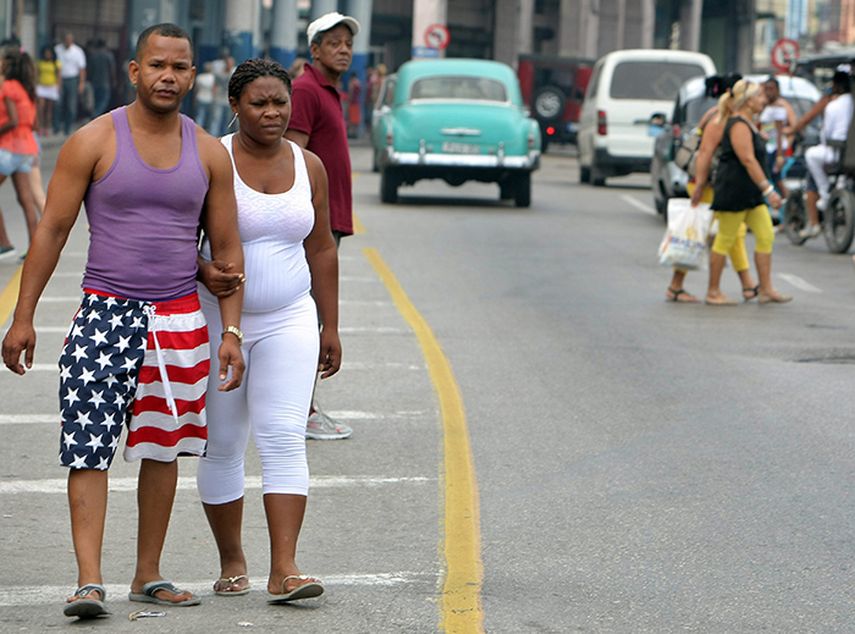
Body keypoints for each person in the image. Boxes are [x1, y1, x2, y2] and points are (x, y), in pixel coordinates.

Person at [1, 23, 246, 620]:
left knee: (163, 452)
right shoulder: (93, 139)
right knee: (87, 447)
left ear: (194, 74)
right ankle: (89, 580)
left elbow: (227, 251)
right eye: (157, 65)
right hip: (104, 315)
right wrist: (22, 316)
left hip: (179, 319)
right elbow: (52, 230)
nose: (169, 76)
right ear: (134, 72)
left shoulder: (209, 150)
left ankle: (148, 574)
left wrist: (231, 331)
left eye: (180, 67)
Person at [196, 57, 340, 603]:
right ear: (235, 106)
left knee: (283, 437)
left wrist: (330, 324)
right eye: (259, 103)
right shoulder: (211, 160)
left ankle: (286, 568)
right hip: (217, 323)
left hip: (290, 318)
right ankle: (233, 561)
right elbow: (180, 241)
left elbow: (321, 246)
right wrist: (202, 269)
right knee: (224, 444)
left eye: (280, 102)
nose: (273, 112)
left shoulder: (310, 166)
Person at [285, 11, 360, 440]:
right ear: (315, 50)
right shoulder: (307, 90)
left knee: (311, 313)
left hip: (326, 223)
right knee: (308, 315)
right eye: (334, 43)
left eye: (347, 43)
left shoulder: (328, 90)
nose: (344, 49)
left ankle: (301, 406)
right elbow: (293, 159)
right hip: (314, 226)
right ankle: (304, 411)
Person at [669, 74, 758, 304]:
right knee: (699, 233)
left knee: (726, 233)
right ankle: (677, 286)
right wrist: (699, 185)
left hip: (714, 183)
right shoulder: (719, 118)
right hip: (706, 184)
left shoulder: (729, 117)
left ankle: (747, 285)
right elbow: (705, 153)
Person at [703, 80, 791, 305]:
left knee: (765, 235)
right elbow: (747, 159)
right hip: (735, 191)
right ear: (749, 101)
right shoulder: (738, 124)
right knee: (725, 239)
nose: (763, 100)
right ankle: (713, 291)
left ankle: (766, 289)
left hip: (750, 194)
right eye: (760, 97)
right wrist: (769, 189)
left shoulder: (750, 123)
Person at [802, 70, 853, 238]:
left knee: (811, 155)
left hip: (835, 150)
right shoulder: (851, 102)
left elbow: (826, 132)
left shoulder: (833, 105)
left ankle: (824, 193)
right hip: (848, 151)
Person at [0, 49, 40, 260]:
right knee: (25, 200)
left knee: (24, 198)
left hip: (8, 147)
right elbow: (34, 123)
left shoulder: (8, 86)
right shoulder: (28, 90)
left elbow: (13, 120)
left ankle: (4, 243)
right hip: (27, 148)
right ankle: (34, 249)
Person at [759, 77, 796, 200]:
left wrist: (780, 154)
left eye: (772, 89)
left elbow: (792, 127)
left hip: (778, 147)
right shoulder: (763, 105)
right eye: (767, 89)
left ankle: (789, 201)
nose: (769, 92)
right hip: (766, 146)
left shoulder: (782, 106)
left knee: (776, 175)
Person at [54, 32, 87, 135]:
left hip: (72, 79)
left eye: (69, 40)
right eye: (66, 40)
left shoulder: (77, 51)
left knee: (71, 105)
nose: (67, 42)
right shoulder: (57, 49)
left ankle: (68, 127)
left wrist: (81, 83)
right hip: (59, 79)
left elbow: (82, 68)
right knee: (58, 104)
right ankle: (56, 126)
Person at [87, 38, 115, 118]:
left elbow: (89, 69)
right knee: (103, 101)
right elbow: (112, 70)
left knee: (95, 101)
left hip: (94, 82)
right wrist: (114, 81)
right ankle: (95, 115)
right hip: (105, 83)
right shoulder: (109, 55)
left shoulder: (93, 55)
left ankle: (94, 115)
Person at [35, 45, 60, 137]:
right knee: (41, 108)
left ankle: (46, 127)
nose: (47, 55)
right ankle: (40, 127)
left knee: (48, 110)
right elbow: (37, 74)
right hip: (42, 86)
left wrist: (58, 86)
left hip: (52, 87)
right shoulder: (40, 63)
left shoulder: (55, 63)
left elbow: (58, 75)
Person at [193, 61, 215, 132]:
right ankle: (209, 132)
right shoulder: (212, 78)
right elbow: (213, 89)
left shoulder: (199, 77)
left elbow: (196, 89)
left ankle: (197, 130)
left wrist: (195, 99)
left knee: (200, 115)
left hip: (200, 98)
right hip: (209, 99)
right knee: (209, 117)